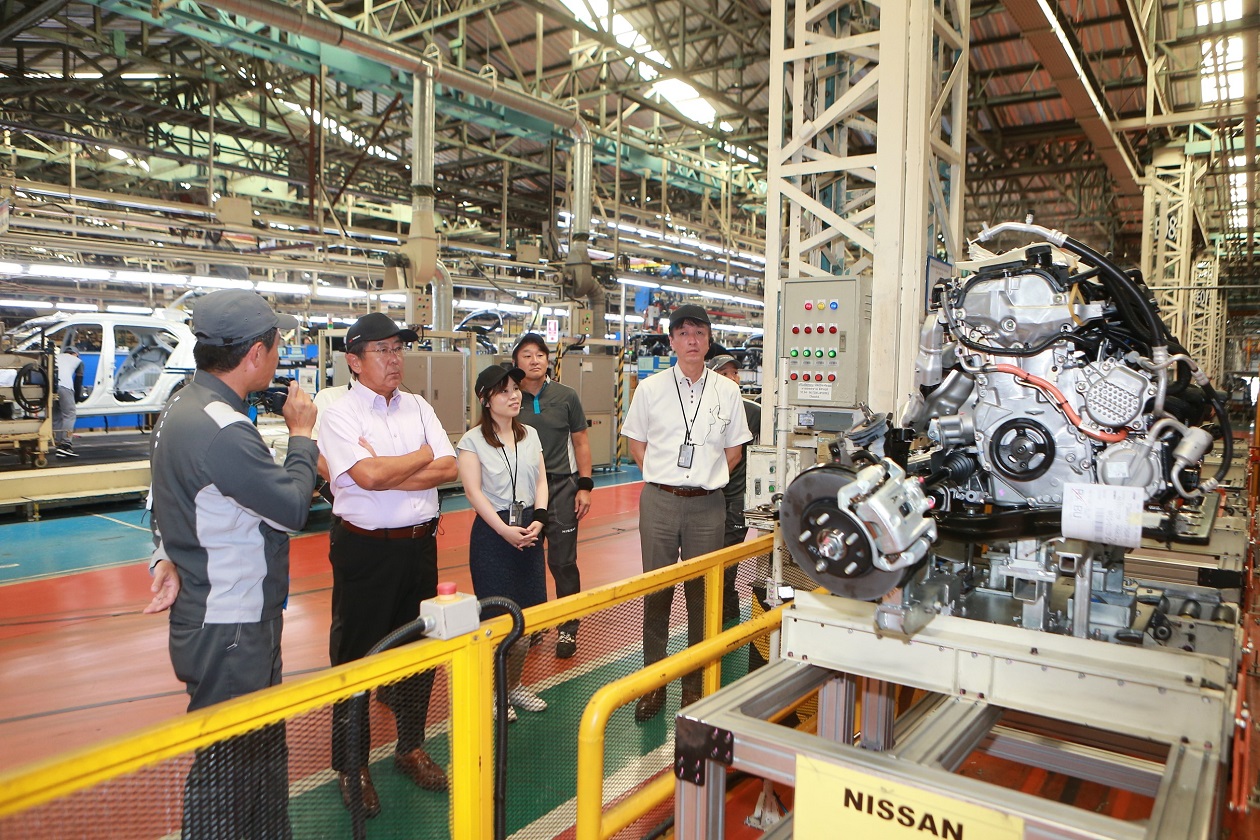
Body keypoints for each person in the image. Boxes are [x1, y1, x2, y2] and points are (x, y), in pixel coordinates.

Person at [142, 288, 319, 840]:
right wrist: (302, 437)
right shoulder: (224, 429)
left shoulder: (182, 408)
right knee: (229, 772)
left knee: (254, 761)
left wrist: (165, 556)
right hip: (233, 629)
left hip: (215, 619)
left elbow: (161, 501)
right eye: (276, 344)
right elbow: (291, 509)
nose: (279, 354)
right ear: (255, 354)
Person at [317, 312, 457, 818]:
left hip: (419, 548)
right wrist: (418, 458)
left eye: (398, 349)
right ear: (354, 361)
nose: (395, 359)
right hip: (365, 551)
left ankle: (410, 746)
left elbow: (448, 466)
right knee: (356, 660)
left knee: (418, 654)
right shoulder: (338, 413)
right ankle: (351, 765)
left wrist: (387, 468)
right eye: (383, 350)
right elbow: (369, 477)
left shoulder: (418, 406)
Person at [620, 304, 751, 722]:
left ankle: (694, 687)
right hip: (659, 501)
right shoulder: (650, 389)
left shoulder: (728, 392)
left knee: (702, 596)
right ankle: (653, 684)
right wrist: (666, 478)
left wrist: (703, 479)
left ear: (709, 340)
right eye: (683, 333)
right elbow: (636, 444)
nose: (692, 340)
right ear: (672, 341)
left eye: (699, 333)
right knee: (656, 593)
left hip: (708, 506)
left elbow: (734, 451)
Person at [457, 364, 550, 721]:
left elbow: (541, 481)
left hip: (528, 529)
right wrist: (502, 530)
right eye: (504, 391)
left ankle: (514, 685)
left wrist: (540, 517)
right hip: (493, 535)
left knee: (527, 617)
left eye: (516, 389)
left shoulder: (530, 435)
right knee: (498, 619)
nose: (514, 396)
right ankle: (495, 692)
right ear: (485, 399)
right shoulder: (472, 441)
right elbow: (473, 493)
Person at [512, 333, 594, 659]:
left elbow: (581, 441)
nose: (535, 360)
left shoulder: (566, 396)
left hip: (561, 487)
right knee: (525, 562)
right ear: (515, 362)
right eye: (527, 355)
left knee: (563, 562)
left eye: (540, 354)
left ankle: (568, 628)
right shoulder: (508, 397)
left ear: (548, 360)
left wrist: (584, 486)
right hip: (522, 491)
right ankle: (532, 625)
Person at [705, 352, 761, 622]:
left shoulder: (754, 412)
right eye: (724, 373)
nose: (732, 378)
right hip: (707, 497)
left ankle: (727, 619)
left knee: (727, 562)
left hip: (737, 497)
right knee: (707, 560)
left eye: (734, 373)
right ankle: (718, 615)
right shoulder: (702, 410)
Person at [53, 347, 82, 457]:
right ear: (76, 354)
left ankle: (57, 442)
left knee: (56, 415)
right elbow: (78, 380)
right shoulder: (78, 361)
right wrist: (77, 398)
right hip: (65, 386)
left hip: (50, 387)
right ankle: (66, 444)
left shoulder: (55, 357)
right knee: (69, 414)